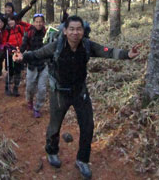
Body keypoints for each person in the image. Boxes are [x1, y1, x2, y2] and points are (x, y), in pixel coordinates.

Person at [13, 15, 140, 179]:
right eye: (71, 29)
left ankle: (82, 160)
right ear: (65, 31)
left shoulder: (87, 45)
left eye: (78, 29)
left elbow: (107, 51)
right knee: (54, 126)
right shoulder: (56, 46)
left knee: (88, 126)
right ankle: (52, 151)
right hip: (59, 92)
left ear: (83, 31)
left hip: (80, 93)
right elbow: (37, 54)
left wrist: (127, 54)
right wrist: (22, 57)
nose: (75, 32)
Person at [0, 0, 37, 82]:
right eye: (6, 7)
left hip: (12, 43)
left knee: (12, 59)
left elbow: (23, 11)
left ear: (12, 9)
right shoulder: (2, 16)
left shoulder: (15, 17)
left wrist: (30, 4)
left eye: (10, 7)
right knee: (0, 57)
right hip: (2, 40)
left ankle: (12, 75)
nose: (8, 9)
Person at [20, 13, 48, 118]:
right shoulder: (29, 33)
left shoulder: (47, 33)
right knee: (30, 87)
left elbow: (52, 46)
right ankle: (30, 100)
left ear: (44, 23)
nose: (39, 23)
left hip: (44, 65)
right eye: (37, 21)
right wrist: (19, 54)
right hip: (32, 64)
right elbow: (23, 47)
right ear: (33, 22)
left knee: (42, 88)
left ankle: (37, 108)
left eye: (41, 21)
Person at [2, 14, 30, 97]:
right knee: (10, 71)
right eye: (9, 21)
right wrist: (9, 47)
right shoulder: (6, 31)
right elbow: (3, 42)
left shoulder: (19, 27)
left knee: (18, 71)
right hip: (10, 54)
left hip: (19, 53)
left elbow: (28, 28)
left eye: (12, 20)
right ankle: (7, 88)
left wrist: (20, 22)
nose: (10, 22)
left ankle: (15, 89)